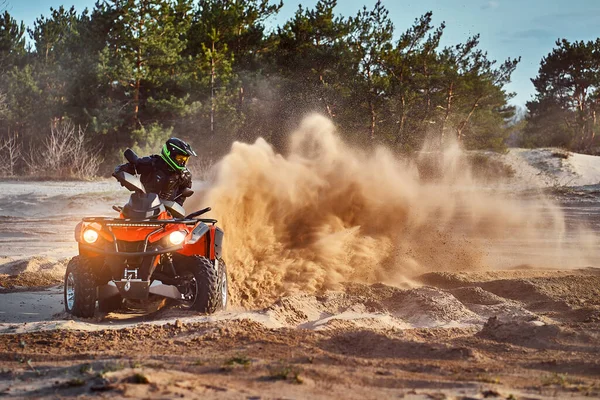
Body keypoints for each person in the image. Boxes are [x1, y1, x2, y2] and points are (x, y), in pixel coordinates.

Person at [114, 138, 197, 205]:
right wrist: (123, 176)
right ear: (169, 153)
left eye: (185, 159)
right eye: (180, 158)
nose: (182, 162)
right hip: (141, 208)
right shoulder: (151, 164)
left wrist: (176, 208)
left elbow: (183, 194)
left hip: (167, 214)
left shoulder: (185, 176)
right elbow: (121, 169)